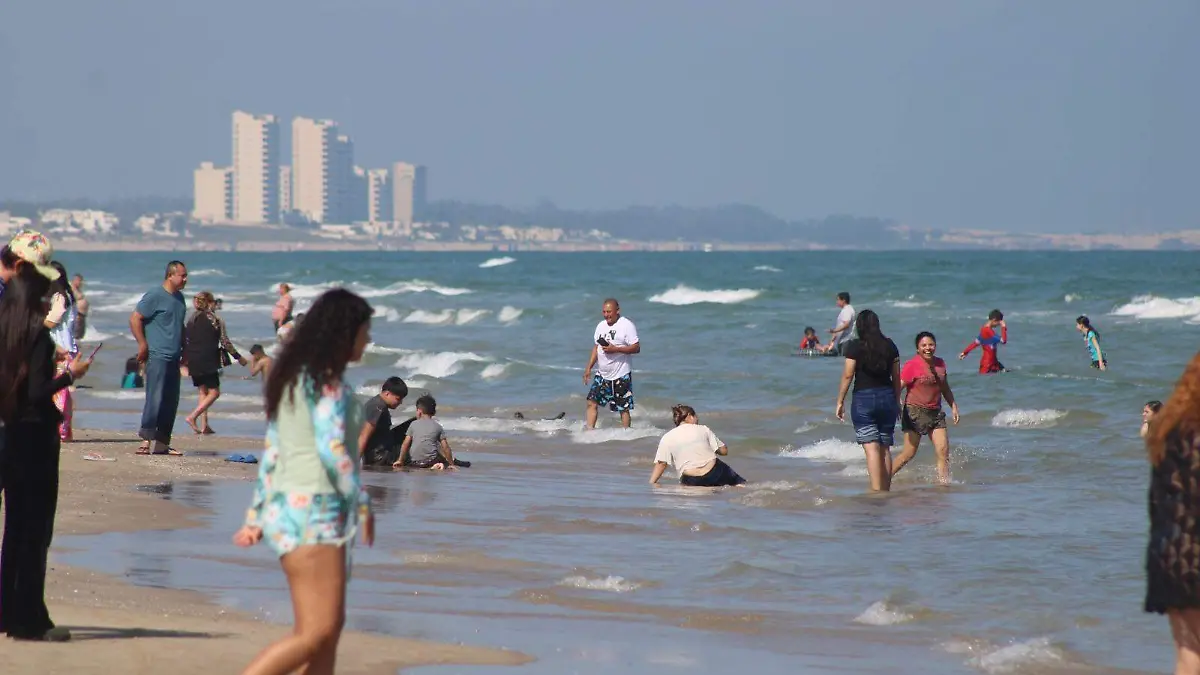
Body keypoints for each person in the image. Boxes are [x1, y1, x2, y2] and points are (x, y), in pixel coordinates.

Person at [232, 288, 375, 675]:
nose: (369, 339)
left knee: (326, 631)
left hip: (289, 513)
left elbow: (273, 453)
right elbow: (333, 451)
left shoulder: (292, 383)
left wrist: (256, 516)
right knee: (317, 632)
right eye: (366, 330)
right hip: (317, 512)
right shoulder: (330, 388)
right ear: (345, 334)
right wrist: (363, 502)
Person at [0, 256, 93, 641]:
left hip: (9, 432)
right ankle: (28, 618)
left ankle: (9, 611)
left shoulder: (6, 326)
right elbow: (37, 393)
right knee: (34, 529)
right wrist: (71, 375)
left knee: (15, 528)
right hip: (34, 435)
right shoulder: (35, 333)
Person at [1144, 351, 1200, 673]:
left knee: (1188, 657)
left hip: (1167, 558)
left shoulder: (1167, 436)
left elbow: (1157, 503)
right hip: (1195, 556)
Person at [835, 309, 901, 492]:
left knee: (872, 448)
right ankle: (885, 491)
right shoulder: (890, 345)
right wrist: (897, 401)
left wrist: (840, 401)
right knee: (885, 447)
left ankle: (876, 491)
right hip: (887, 397)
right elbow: (896, 377)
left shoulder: (854, 346)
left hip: (863, 398)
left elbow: (848, 375)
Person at [130, 260, 188, 455]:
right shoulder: (155, 295)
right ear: (170, 275)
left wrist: (185, 351)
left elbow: (180, 327)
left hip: (174, 356)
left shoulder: (180, 299)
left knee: (171, 400)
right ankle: (146, 441)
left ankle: (162, 443)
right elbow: (135, 318)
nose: (185, 279)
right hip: (157, 354)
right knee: (155, 397)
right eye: (182, 275)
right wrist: (142, 344)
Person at [891, 332, 960, 484]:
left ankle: (943, 484)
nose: (928, 348)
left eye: (931, 345)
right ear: (918, 349)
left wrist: (953, 405)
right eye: (923, 345)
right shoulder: (912, 365)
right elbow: (898, 386)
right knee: (908, 453)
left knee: (943, 451)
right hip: (914, 412)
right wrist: (896, 402)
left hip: (935, 413)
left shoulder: (940, 364)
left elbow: (945, 388)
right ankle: (884, 477)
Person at [183, 291, 247, 435]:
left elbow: (187, 339)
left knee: (202, 391)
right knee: (214, 392)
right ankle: (192, 416)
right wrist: (238, 357)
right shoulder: (216, 319)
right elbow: (225, 342)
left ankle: (205, 425)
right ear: (210, 303)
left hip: (193, 359)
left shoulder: (191, 319)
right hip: (207, 360)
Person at [649, 404, 746, 487]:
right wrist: (718, 449)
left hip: (691, 479)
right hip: (714, 471)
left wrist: (652, 483)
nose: (697, 419)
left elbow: (661, 464)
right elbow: (724, 451)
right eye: (696, 416)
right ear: (690, 416)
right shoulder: (703, 429)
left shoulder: (667, 437)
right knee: (740, 484)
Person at [583, 298, 640, 429]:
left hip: (621, 375)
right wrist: (588, 368)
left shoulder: (626, 325)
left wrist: (616, 349)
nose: (606, 315)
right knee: (591, 402)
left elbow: (636, 348)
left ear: (617, 311)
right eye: (604, 312)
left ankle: (626, 435)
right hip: (602, 374)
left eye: (609, 311)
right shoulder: (600, 326)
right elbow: (596, 347)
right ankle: (590, 433)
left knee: (623, 408)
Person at [44, 261, 80, 442]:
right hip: (68, 347)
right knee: (63, 392)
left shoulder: (59, 297)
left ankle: (60, 430)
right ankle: (64, 430)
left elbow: (53, 320)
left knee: (59, 393)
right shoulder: (68, 295)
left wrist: (32, 326)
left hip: (60, 349)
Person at [394, 395, 461, 470]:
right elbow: (445, 447)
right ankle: (438, 465)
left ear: (419, 411)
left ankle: (434, 466)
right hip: (431, 461)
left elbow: (405, 444)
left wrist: (400, 460)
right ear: (434, 412)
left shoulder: (413, 424)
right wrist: (451, 464)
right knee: (443, 458)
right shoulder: (437, 426)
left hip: (415, 463)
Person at [359, 377, 413, 467]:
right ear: (387, 393)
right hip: (380, 457)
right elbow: (364, 435)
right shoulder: (378, 407)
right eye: (398, 399)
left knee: (413, 423)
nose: (400, 402)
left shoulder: (376, 403)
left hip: (381, 449)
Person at [959, 309, 1007, 374]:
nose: (998, 325)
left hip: (994, 363)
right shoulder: (988, 331)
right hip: (987, 366)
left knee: (1007, 373)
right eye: (999, 323)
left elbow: (976, 343)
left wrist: (965, 352)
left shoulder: (984, 330)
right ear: (994, 320)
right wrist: (1003, 327)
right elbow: (1003, 341)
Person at [70, 274, 89, 342]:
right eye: (80, 281)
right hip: (77, 316)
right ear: (75, 280)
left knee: (80, 336)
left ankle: (79, 350)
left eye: (82, 281)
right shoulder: (71, 289)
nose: (81, 283)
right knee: (76, 336)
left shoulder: (78, 290)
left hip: (82, 316)